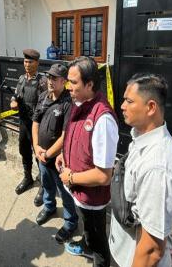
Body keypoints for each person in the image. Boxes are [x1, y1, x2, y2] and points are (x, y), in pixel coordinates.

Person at [109, 73, 172, 267]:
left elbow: (151, 249)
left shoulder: (157, 168)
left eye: (129, 101)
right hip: (123, 251)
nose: (122, 106)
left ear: (151, 107)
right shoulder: (141, 136)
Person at [56, 56, 119, 267]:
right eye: (68, 81)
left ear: (89, 84)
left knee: (98, 240)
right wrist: (63, 155)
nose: (68, 86)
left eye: (73, 82)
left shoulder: (103, 120)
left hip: (92, 197)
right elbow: (73, 136)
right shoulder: (78, 103)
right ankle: (85, 245)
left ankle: (96, 256)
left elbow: (103, 175)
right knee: (88, 229)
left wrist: (71, 177)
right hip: (79, 191)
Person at [32, 63, 78, 243]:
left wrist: (49, 153)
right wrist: (36, 146)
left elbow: (66, 135)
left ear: (64, 82)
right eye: (49, 77)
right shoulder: (43, 96)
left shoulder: (68, 103)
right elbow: (35, 122)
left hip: (59, 158)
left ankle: (70, 222)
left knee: (65, 192)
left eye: (55, 78)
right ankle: (49, 207)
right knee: (47, 185)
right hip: (42, 154)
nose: (50, 81)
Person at [10, 48, 47, 205]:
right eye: (25, 61)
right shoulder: (21, 78)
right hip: (24, 123)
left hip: (37, 125)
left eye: (30, 62)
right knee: (24, 150)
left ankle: (44, 185)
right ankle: (28, 177)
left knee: (39, 155)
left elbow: (45, 102)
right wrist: (13, 102)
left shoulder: (42, 80)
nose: (26, 64)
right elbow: (16, 94)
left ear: (37, 63)